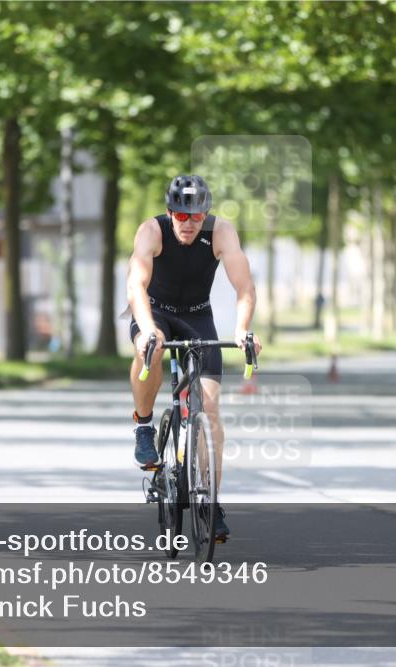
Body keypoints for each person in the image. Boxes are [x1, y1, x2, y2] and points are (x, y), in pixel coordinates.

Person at [126, 174, 262, 543]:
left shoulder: (221, 232)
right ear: (170, 212)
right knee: (151, 351)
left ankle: (211, 501)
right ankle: (143, 425)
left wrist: (243, 329)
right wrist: (146, 328)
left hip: (198, 316)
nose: (188, 224)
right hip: (155, 312)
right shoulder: (152, 231)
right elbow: (136, 283)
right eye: (181, 216)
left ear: (206, 214)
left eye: (196, 217)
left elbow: (244, 285)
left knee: (211, 409)